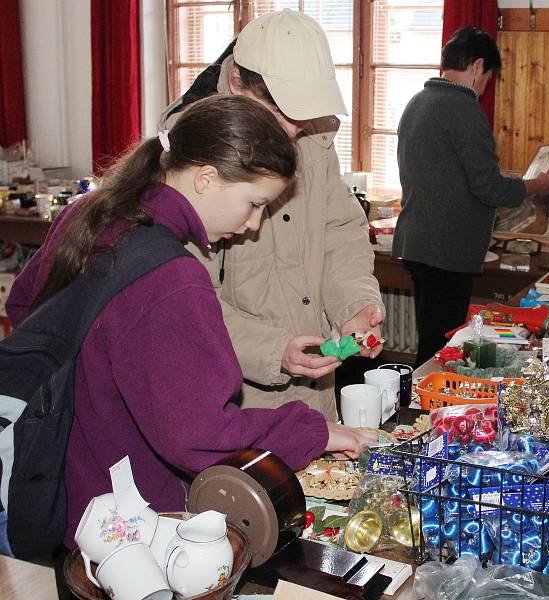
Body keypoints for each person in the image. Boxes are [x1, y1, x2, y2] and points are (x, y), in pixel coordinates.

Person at [6, 95, 376, 547]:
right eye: (254, 203)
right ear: (205, 178)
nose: (254, 224)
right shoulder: (173, 278)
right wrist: (315, 432)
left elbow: (25, 310)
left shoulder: (86, 213)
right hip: (128, 514)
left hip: (60, 476)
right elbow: (199, 436)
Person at [161, 9, 384, 422]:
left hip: (314, 396)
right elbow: (183, 303)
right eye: (280, 114)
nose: (291, 132)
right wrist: (270, 349)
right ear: (236, 84)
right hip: (237, 402)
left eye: (300, 120)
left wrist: (352, 305)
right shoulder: (194, 156)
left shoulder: (311, 134)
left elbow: (339, 230)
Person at [392, 26, 549, 366]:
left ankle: (425, 409)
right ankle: (432, 413)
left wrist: (507, 179)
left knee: (432, 338)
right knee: (446, 349)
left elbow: (448, 173)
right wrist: (535, 186)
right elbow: (489, 189)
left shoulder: (419, 101)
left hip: (417, 241)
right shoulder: (464, 109)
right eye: (488, 78)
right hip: (447, 249)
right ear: (478, 66)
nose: (484, 88)